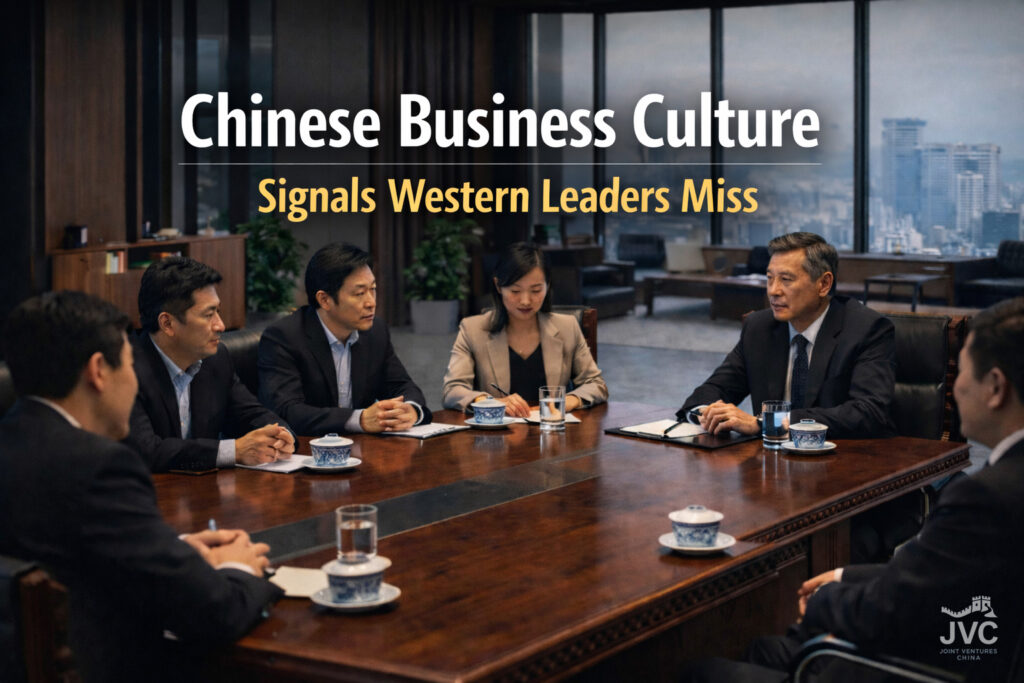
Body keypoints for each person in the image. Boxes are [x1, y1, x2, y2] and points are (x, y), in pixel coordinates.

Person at [684, 297, 1024, 683]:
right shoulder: (1003, 482)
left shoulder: (985, 498)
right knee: (765, 648)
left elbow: (895, 612)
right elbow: (940, 581)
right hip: (972, 646)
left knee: (703, 672)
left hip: (923, 667)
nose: (955, 387)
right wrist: (846, 577)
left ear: (995, 387)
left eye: (961, 372)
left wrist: (826, 602)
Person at [0, 292, 282, 682]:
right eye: (131, 365)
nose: (135, 382)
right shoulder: (100, 466)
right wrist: (239, 568)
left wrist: (173, 553)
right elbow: (216, 614)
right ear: (99, 371)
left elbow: (65, 554)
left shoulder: (15, 441)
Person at [677, 232, 896, 440]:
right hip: (769, 465)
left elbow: (869, 413)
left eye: (786, 280)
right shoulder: (759, 327)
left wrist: (769, 423)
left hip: (843, 461)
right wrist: (707, 413)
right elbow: (715, 390)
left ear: (823, 284)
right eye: (770, 278)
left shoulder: (867, 329)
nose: (773, 290)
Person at [126, 257, 295, 472]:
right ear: (167, 323)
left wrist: (281, 437)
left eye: (219, 312)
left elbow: (250, 415)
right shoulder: (124, 369)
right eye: (208, 315)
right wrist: (233, 451)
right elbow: (146, 451)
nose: (221, 325)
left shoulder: (215, 359)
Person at [258, 242, 432, 435]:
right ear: (325, 300)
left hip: (361, 451)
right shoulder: (284, 337)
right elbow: (287, 412)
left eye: (372, 289)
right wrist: (360, 419)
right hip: (306, 453)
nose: (371, 303)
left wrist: (410, 410)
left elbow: (402, 386)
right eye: (359, 293)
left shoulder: (375, 332)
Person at [442, 242, 607, 416]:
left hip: (551, 431)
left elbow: (596, 384)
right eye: (515, 291)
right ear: (498, 286)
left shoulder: (567, 327)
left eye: (536, 290)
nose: (526, 301)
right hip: (497, 437)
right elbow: (452, 390)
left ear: (547, 285)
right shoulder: (473, 330)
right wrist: (490, 402)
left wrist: (566, 402)